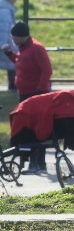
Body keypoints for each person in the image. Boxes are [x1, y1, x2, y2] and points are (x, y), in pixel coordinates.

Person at [3, 20, 53, 173]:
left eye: (13, 37)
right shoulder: (23, 49)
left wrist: (39, 91)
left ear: (20, 36)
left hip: (35, 95)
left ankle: (38, 163)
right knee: (26, 128)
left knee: (36, 128)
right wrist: (10, 55)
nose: (12, 40)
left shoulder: (36, 48)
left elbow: (47, 70)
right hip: (25, 95)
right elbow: (21, 61)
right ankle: (31, 162)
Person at [0, 0, 16, 91]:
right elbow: (4, 29)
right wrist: (3, 45)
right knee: (13, 64)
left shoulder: (4, 9)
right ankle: (12, 87)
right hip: (5, 44)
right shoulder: (5, 11)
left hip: (5, 43)